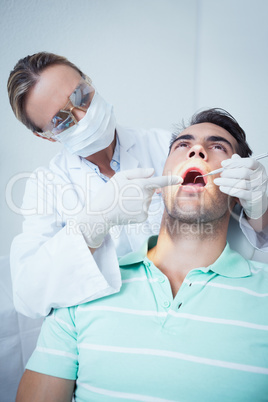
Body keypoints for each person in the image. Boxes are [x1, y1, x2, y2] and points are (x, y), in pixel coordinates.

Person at [16, 109, 268, 401]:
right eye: (183, 145)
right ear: (160, 184)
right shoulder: (82, 292)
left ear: (242, 188)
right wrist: (95, 221)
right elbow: (28, 291)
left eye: (217, 147)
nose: (197, 150)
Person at [7, 52, 268, 318]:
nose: (83, 115)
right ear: (46, 137)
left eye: (81, 96)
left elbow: (246, 228)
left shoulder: (170, 147)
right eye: (62, 120)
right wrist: (95, 222)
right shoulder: (47, 185)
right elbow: (29, 296)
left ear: (88, 81)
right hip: (113, 320)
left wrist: (257, 206)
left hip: (201, 304)